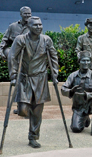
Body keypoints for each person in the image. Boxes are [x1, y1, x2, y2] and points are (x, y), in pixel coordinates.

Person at [9, 17, 59, 148]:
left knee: (37, 112)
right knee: (22, 111)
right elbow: (12, 56)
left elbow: (53, 56)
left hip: (40, 79)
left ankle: (33, 137)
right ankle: (28, 106)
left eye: (40, 25)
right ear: (29, 27)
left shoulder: (46, 40)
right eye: (35, 25)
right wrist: (13, 75)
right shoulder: (21, 39)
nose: (39, 27)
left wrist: (55, 73)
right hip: (25, 78)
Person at [61, 51, 92, 136]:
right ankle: (85, 117)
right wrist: (71, 91)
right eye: (83, 60)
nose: (86, 63)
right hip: (79, 107)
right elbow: (63, 89)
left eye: (88, 60)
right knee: (76, 129)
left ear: (90, 62)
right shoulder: (73, 75)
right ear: (79, 61)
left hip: (91, 105)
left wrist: (87, 95)